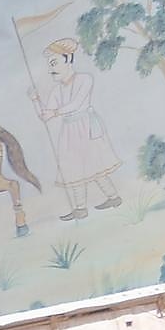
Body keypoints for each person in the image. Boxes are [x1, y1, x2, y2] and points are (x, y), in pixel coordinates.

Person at [30, 39, 129, 216]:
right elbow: (45, 116)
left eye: (54, 63)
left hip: (86, 128)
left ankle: (113, 197)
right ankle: (80, 209)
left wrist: (56, 112)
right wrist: (36, 100)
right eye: (49, 65)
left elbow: (76, 104)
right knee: (73, 170)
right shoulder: (57, 90)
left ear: (67, 59)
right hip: (68, 132)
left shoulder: (84, 79)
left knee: (96, 166)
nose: (51, 69)